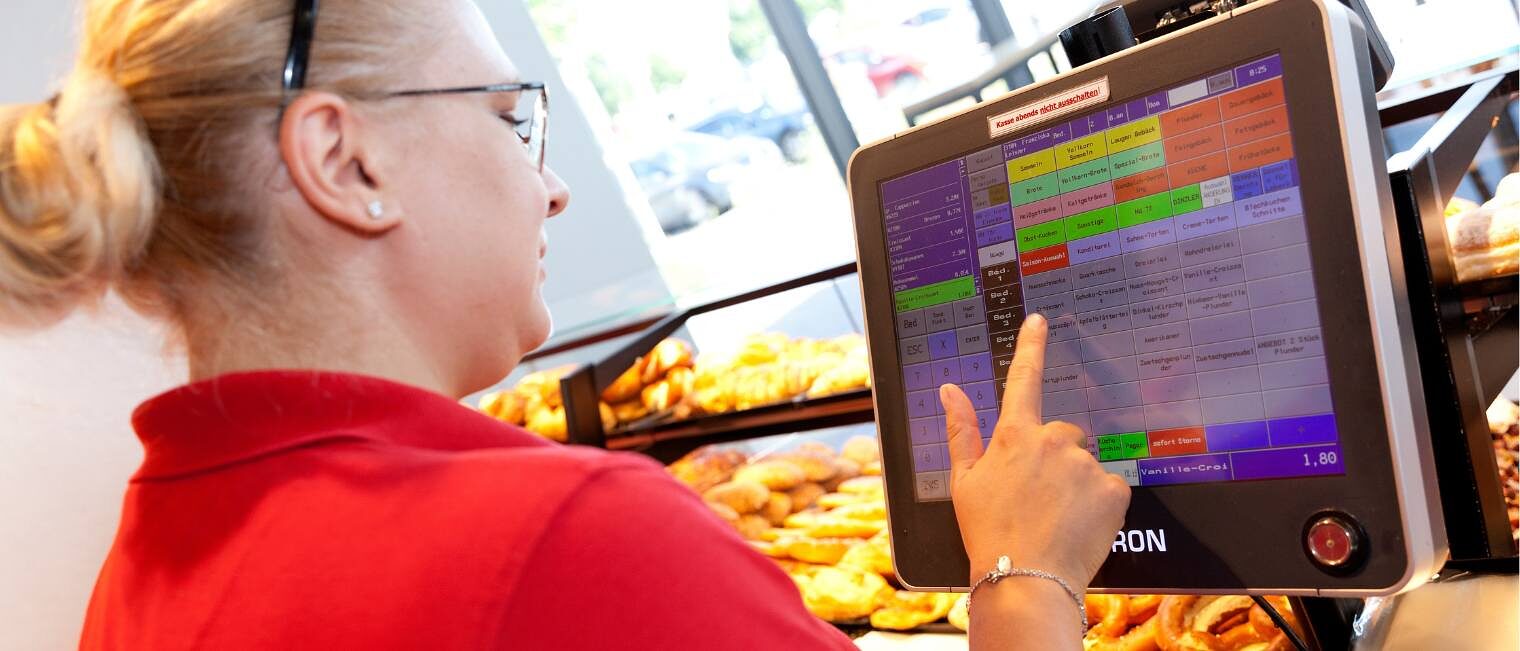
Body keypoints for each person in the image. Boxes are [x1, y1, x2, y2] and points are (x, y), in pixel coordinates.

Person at [0, 0, 1129, 648]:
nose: (552, 190)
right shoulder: (565, 540)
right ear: (345, 162)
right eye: (507, 116)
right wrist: (1026, 575)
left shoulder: (142, 575)